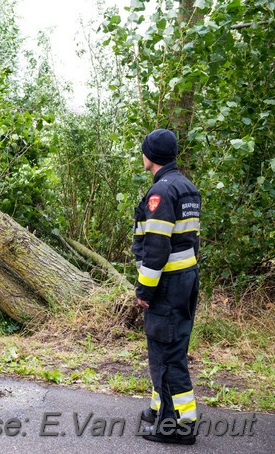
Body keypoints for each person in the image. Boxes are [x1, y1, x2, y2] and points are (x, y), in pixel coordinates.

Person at [131, 129, 202, 445]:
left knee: (167, 351)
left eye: (143, 150)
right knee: (170, 347)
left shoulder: (161, 193)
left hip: (166, 284)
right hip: (185, 278)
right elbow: (192, 242)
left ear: (151, 156)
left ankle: (180, 426)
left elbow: (156, 248)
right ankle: (161, 410)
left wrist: (145, 291)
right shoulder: (187, 187)